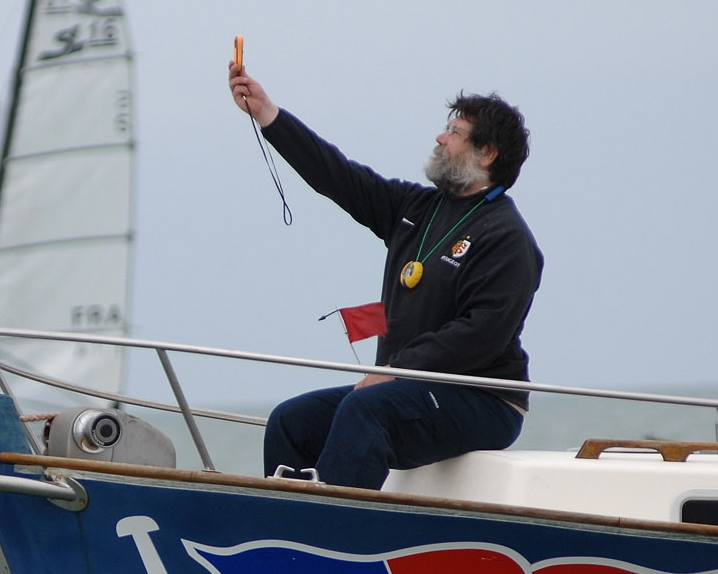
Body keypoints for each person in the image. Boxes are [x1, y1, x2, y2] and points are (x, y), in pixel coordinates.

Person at [230, 61, 542, 491]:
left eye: (454, 131)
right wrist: (268, 114)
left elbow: (480, 334)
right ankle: (284, 530)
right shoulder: (417, 209)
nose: (440, 136)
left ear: (487, 154)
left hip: (483, 399)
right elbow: (338, 177)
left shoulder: (507, 237)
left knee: (368, 410)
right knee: (291, 421)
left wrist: (397, 369)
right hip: (406, 386)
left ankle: (335, 536)